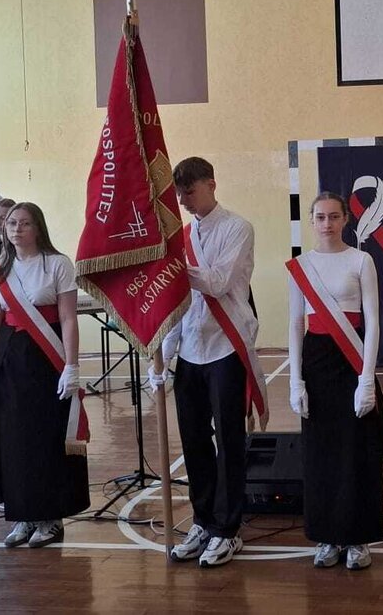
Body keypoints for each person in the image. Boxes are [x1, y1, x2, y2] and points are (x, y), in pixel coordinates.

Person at [152, 157, 266, 568]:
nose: (184, 201)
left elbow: (217, 282)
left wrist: (172, 267)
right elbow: (179, 305)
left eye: (190, 192)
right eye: (179, 194)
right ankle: (203, 520)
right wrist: (164, 356)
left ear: (211, 185)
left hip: (225, 347)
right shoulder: (183, 236)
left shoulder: (237, 228)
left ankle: (227, 529)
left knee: (229, 441)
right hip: (191, 349)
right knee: (194, 441)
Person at [286, 191, 383, 571]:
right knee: (321, 454)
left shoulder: (361, 260)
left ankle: (358, 538)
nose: (327, 223)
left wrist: (367, 379)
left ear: (346, 219)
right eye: (320, 217)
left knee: (357, 452)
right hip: (316, 363)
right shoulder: (301, 266)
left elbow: (374, 321)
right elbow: (295, 323)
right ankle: (327, 536)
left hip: (352, 361)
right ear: (312, 221)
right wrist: (295, 381)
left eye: (334, 216)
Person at [0, 202, 90, 549]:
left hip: (46, 359)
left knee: (45, 436)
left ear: (38, 227)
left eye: (24, 223)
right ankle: (23, 514)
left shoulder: (57, 264)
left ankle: (50, 517)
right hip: (10, 361)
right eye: (11, 223)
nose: (16, 229)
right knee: (13, 439)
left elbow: (68, 318)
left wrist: (71, 366)